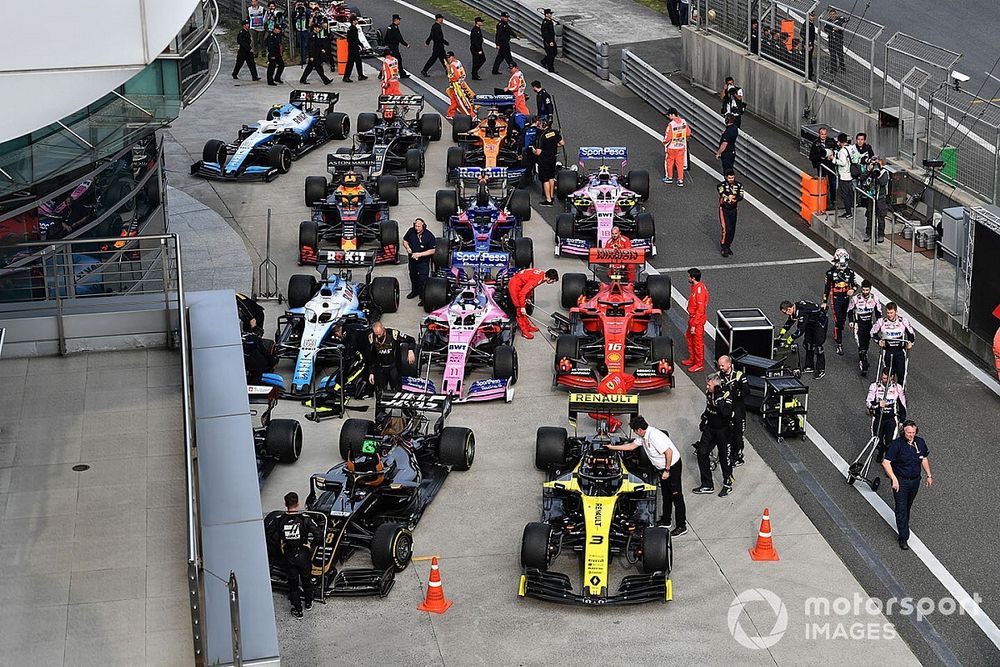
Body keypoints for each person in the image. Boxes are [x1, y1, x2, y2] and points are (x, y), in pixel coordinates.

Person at [607, 415, 687, 536]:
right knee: (666, 494)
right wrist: (612, 448)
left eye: (635, 430)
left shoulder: (654, 436)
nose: (635, 433)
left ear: (639, 430)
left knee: (676, 496)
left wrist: (667, 470)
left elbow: (668, 452)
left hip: (672, 467)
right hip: (662, 468)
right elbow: (631, 446)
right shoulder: (644, 436)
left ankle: (682, 526)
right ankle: (666, 520)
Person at [881, 421, 932, 550]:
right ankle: (904, 537)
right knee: (901, 508)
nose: (911, 435)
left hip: (915, 480)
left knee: (907, 506)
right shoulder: (897, 445)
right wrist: (894, 479)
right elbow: (886, 462)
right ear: (904, 431)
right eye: (909, 432)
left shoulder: (920, 442)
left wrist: (929, 475)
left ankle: (903, 525)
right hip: (901, 481)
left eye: (913, 432)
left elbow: (924, 458)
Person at [276, 491, 318, 618]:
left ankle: (298, 610)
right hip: (303, 554)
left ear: (285, 504)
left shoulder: (280, 520)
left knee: (293, 584)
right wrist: (312, 545)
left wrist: (281, 546)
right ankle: (309, 603)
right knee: (306, 579)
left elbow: (273, 536)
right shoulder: (305, 519)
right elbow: (319, 534)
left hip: (289, 555)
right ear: (298, 503)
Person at [694, 375, 734, 497]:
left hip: (724, 431)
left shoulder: (726, 395)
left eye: (709, 385)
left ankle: (727, 484)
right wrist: (704, 418)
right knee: (701, 453)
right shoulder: (708, 393)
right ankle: (707, 484)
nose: (707, 387)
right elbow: (708, 407)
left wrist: (719, 398)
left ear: (716, 386)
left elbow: (726, 413)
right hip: (710, 429)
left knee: (724, 458)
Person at [780, 299, 829, 378]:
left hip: (820, 324)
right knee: (808, 344)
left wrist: (791, 338)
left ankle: (821, 370)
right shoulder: (795, 308)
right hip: (810, 322)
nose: (785, 314)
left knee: (818, 347)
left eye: (785, 312)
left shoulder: (802, 312)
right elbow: (791, 320)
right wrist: (783, 331)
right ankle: (809, 365)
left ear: (789, 309)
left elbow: (800, 330)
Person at [822, 248, 857, 355]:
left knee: (842, 319)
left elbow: (855, 285)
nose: (842, 264)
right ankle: (839, 343)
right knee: (838, 320)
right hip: (835, 298)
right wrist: (824, 301)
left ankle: (838, 330)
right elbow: (827, 288)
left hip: (846, 298)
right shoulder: (830, 273)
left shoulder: (850, 272)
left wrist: (852, 290)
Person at [366, 321, 416, 395]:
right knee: (380, 392)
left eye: (380, 334)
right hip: (380, 367)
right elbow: (371, 357)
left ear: (383, 329)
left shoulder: (393, 334)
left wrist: (410, 350)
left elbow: (411, 340)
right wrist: (371, 372)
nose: (379, 337)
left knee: (397, 390)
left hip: (393, 367)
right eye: (376, 334)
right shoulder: (371, 338)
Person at [508, 268, 559, 338]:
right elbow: (522, 294)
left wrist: (528, 298)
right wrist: (522, 307)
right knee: (519, 309)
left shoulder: (542, 275)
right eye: (552, 281)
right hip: (515, 286)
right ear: (548, 278)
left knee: (523, 307)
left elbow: (530, 287)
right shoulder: (537, 279)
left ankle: (528, 326)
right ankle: (524, 331)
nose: (552, 283)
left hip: (521, 284)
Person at [871, 302, 915, 384]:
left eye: (891, 313)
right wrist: (878, 341)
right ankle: (889, 391)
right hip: (887, 351)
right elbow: (873, 333)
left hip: (900, 351)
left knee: (901, 373)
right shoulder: (881, 322)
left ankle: (900, 392)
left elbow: (911, 334)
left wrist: (910, 342)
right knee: (889, 373)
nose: (889, 315)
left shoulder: (903, 321)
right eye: (888, 313)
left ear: (895, 311)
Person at [718, 355, 748, 467]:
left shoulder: (739, 375)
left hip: (738, 408)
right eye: (719, 365)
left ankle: (738, 456)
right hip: (726, 409)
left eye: (722, 365)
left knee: (738, 433)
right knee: (727, 433)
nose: (720, 367)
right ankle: (729, 454)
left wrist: (734, 393)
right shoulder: (718, 376)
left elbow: (747, 391)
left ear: (729, 364)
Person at [866, 369, 906, 451]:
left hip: (891, 419)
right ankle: (880, 452)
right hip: (878, 418)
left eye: (886, 378)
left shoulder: (897, 388)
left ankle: (887, 459)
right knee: (877, 441)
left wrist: (902, 421)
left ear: (891, 377)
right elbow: (869, 403)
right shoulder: (874, 386)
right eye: (883, 378)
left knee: (890, 442)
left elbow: (902, 405)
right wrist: (878, 405)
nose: (884, 380)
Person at [848, 279, 881, 376]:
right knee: (861, 345)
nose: (865, 292)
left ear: (870, 289)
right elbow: (850, 311)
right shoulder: (856, 298)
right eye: (863, 290)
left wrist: (879, 326)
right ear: (861, 289)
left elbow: (878, 313)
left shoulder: (875, 298)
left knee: (866, 345)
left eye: (867, 290)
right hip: (858, 325)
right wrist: (851, 321)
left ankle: (863, 356)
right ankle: (864, 364)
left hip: (869, 325)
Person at [402, 218, 436, 301]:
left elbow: (433, 250)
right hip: (412, 261)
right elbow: (404, 240)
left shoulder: (429, 236)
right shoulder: (411, 231)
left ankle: (423, 296)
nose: (416, 228)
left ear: (423, 226)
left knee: (423, 279)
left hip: (423, 262)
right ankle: (414, 291)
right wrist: (408, 248)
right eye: (415, 226)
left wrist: (420, 254)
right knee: (413, 277)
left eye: (418, 226)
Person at [532, 118, 564, 206]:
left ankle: (548, 200)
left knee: (545, 179)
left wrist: (533, 150)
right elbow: (562, 143)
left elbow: (538, 152)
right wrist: (553, 146)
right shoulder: (555, 132)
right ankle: (552, 195)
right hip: (553, 158)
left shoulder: (540, 136)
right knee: (551, 177)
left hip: (544, 160)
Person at [682, 268, 708, 372]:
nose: (688, 278)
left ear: (693, 278)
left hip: (697, 320)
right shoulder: (695, 287)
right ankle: (692, 359)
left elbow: (700, 310)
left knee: (697, 343)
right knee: (689, 338)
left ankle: (699, 364)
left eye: (689, 276)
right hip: (693, 318)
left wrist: (694, 324)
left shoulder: (699, 291)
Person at [808, 126, 837, 211]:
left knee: (833, 183)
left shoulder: (831, 141)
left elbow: (836, 151)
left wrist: (832, 156)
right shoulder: (815, 143)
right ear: (819, 134)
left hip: (831, 165)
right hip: (821, 167)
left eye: (825, 134)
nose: (823, 136)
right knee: (823, 184)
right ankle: (824, 200)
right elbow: (811, 156)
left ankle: (833, 200)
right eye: (822, 134)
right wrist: (821, 157)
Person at [716, 169, 744, 257]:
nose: (731, 179)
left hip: (733, 209)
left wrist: (735, 199)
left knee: (732, 230)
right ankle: (724, 247)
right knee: (726, 229)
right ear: (726, 177)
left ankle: (728, 246)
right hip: (724, 209)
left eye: (732, 177)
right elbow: (722, 193)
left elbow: (741, 196)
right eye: (729, 177)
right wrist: (728, 198)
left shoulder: (739, 185)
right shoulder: (721, 185)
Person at [662, 107, 691, 186]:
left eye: (668, 115)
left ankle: (669, 177)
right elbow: (688, 133)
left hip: (671, 147)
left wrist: (664, 142)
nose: (668, 117)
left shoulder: (671, 124)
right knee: (680, 163)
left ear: (672, 114)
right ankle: (680, 180)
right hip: (681, 146)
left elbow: (668, 137)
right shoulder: (684, 122)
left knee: (669, 162)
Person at [866, 157, 890, 243]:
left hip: (881, 198)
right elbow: (863, 178)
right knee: (869, 216)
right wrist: (869, 170)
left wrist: (878, 174)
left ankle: (880, 235)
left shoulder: (884, 172)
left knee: (881, 217)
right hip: (871, 197)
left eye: (878, 163)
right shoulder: (871, 171)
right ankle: (868, 233)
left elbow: (883, 183)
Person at [444, 52, 474, 119]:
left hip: (457, 86)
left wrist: (451, 77)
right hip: (458, 85)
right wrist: (462, 80)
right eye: (447, 58)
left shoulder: (452, 65)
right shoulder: (458, 62)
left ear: (453, 56)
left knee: (459, 100)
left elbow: (455, 76)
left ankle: (451, 114)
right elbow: (462, 73)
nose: (448, 59)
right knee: (460, 100)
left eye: (449, 57)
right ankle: (469, 114)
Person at [834, 133, 854, 217]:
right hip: (851, 174)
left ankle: (848, 213)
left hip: (844, 176)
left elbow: (842, 163)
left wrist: (833, 159)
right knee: (850, 193)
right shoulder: (852, 148)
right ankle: (853, 205)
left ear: (839, 141)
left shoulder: (842, 151)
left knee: (845, 195)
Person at [341, 15, 367, 82]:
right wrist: (361, 45)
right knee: (350, 63)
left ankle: (360, 75)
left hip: (351, 47)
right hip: (354, 48)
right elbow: (356, 39)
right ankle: (346, 77)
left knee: (358, 61)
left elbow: (348, 39)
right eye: (356, 20)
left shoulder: (349, 28)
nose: (357, 21)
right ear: (353, 21)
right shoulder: (354, 29)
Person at [384, 14, 410, 78]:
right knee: (398, 60)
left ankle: (402, 73)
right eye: (399, 20)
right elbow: (399, 37)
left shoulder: (390, 27)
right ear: (396, 20)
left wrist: (385, 45)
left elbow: (386, 37)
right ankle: (402, 74)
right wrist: (406, 44)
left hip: (390, 46)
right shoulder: (394, 28)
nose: (400, 21)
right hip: (394, 47)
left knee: (390, 60)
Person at [825, 8, 846, 73]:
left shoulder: (840, 20)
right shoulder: (828, 21)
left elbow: (846, 20)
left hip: (838, 40)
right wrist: (832, 30)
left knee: (840, 55)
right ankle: (833, 69)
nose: (832, 16)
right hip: (831, 40)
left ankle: (842, 68)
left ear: (836, 14)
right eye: (831, 14)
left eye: (834, 14)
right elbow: (825, 29)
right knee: (832, 55)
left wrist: (839, 28)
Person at [803, 13, 817, 79]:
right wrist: (807, 44)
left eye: (813, 16)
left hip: (811, 44)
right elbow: (802, 34)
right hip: (807, 44)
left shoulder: (811, 24)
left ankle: (810, 72)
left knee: (809, 58)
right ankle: (808, 73)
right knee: (807, 59)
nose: (813, 17)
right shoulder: (806, 24)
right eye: (811, 16)